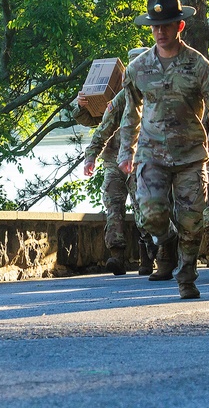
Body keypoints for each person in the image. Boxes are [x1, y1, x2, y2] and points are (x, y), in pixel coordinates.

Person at [118, 0, 209, 300]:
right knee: (150, 213)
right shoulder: (138, 68)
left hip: (190, 156)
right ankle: (164, 239)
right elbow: (131, 112)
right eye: (155, 26)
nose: (160, 32)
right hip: (151, 152)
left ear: (179, 27)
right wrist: (125, 151)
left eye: (167, 25)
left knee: (192, 221)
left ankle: (186, 276)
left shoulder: (197, 65)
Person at [81, 47, 153, 277]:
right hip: (114, 160)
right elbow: (101, 127)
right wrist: (91, 156)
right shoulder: (119, 98)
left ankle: (148, 255)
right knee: (113, 203)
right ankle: (116, 255)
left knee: (144, 207)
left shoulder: (157, 95)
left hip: (144, 161)